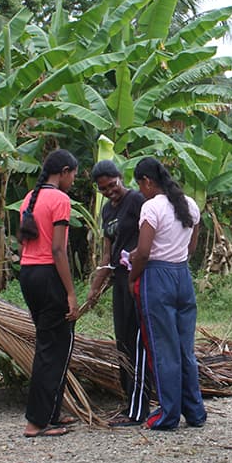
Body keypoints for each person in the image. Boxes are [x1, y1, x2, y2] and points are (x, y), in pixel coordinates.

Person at [128, 157, 205, 430]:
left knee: (163, 349)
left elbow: (145, 251)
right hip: (183, 276)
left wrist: (132, 275)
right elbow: (192, 248)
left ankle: (167, 414)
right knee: (185, 350)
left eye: (140, 185)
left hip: (157, 278)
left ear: (147, 181)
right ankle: (195, 412)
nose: (140, 191)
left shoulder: (151, 207)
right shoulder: (190, 205)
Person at [17, 149, 81, 438]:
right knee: (52, 350)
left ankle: (51, 413)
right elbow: (57, 249)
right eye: (74, 175)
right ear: (65, 171)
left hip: (28, 273)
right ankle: (37, 422)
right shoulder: (60, 200)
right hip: (48, 275)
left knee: (48, 343)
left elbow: (24, 245)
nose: (74, 181)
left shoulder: (29, 200)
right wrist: (70, 292)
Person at [85, 160, 150, 427]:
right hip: (119, 281)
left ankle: (139, 408)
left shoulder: (136, 201)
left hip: (137, 278)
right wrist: (95, 287)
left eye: (112, 185)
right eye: (103, 189)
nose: (109, 191)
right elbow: (107, 252)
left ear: (121, 178)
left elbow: (148, 238)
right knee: (122, 341)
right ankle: (129, 400)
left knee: (137, 342)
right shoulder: (106, 212)